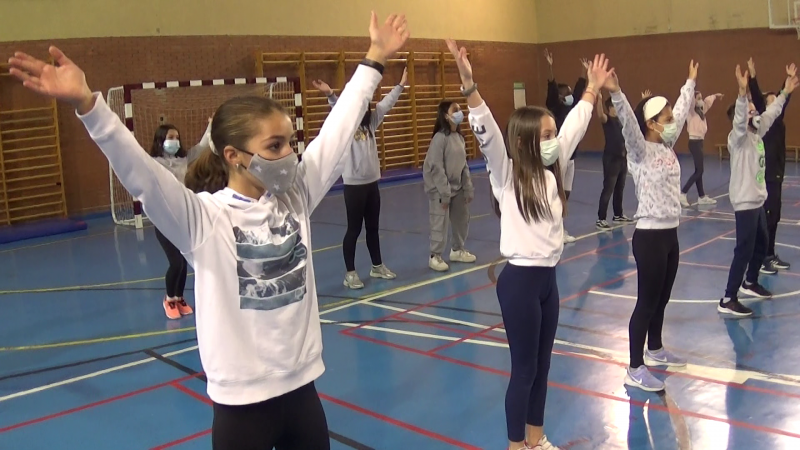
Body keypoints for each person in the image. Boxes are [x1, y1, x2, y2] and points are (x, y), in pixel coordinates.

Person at [8, 12, 409, 449]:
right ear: (235, 155)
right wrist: (90, 104)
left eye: (290, 142)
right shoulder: (203, 220)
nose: (291, 154)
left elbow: (339, 128)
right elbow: (140, 173)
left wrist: (374, 58)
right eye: (275, 146)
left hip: (302, 393)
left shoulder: (295, 197)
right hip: (241, 409)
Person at [450, 37, 612, 450]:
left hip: (547, 283)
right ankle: (515, 445)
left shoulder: (552, 168)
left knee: (541, 367)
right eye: (545, 134)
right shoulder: (506, 175)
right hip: (520, 283)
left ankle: (536, 440)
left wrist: (591, 88)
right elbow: (486, 133)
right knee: (523, 370)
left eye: (553, 134)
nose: (554, 139)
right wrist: (470, 88)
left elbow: (575, 123)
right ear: (523, 141)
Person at [607, 60, 699, 392]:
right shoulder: (641, 149)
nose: (674, 122)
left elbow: (685, 107)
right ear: (651, 124)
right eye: (668, 118)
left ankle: (656, 349)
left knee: (662, 297)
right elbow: (629, 125)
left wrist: (689, 82)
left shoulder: (665, 147)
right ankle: (634, 367)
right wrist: (617, 92)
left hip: (670, 234)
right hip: (649, 237)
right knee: (646, 301)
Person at [312, 70, 406, 289]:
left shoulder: (371, 123)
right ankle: (350, 273)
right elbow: (339, 110)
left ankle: (377, 265)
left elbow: (387, 104)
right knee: (354, 229)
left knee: (373, 227)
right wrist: (330, 94)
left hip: (372, 184)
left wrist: (401, 85)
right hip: (353, 186)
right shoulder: (346, 126)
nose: (364, 107)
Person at [718, 65, 797, 317]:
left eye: (754, 109)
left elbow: (771, 113)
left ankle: (750, 282)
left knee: (762, 243)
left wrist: (785, 92)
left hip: (758, 201)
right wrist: (742, 95)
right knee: (744, 249)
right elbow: (741, 119)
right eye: (750, 110)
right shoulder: (738, 138)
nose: (754, 113)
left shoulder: (757, 134)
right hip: (745, 203)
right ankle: (728, 297)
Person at [148, 122, 211, 319]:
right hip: (164, 220)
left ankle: (179, 297)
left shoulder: (183, 159)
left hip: (182, 217)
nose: (174, 141)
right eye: (170, 137)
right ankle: (169, 299)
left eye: (176, 137)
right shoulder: (154, 162)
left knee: (183, 263)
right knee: (175, 262)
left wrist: (210, 127)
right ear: (161, 140)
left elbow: (202, 148)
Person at [748, 58, 795, 272]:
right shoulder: (764, 120)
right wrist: (753, 76)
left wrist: (788, 81)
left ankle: (769, 253)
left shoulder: (778, 118)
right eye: (771, 100)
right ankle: (763, 257)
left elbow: (784, 98)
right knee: (768, 216)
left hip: (777, 173)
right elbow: (758, 96)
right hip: (766, 174)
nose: (776, 101)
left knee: (775, 216)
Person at [423, 99, 475, 272]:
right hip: (439, 189)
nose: (460, 112)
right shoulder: (439, 139)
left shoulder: (459, 138)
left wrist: (467, 188)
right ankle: (435, 256)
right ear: (446, 116)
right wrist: (444, 193)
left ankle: (457, 249)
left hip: (457, 187)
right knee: (439, 222)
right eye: (455, 110)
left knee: (462, 219)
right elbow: (436, 167)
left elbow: (463, 165)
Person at [544, 49, 588, 243]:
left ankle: (560, 229)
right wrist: (550, 66)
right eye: (567, 92)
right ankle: (552, 230)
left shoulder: (572, 107)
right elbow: (552, 88)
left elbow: (580, 92)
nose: (571, 94)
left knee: (565, 194)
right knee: (556, 193)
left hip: (572, 158)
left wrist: (584, 71)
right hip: (558, 157)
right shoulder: (554, 106)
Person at [595, 92, 632, 230]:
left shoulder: (620, 121)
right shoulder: (608, 120)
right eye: (615, 107)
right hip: (611, 159)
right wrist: (599, 100)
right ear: (610, 108)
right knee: (608, 188)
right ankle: (601, 218)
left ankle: (618, 214)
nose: (617, 109)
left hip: (622, 158)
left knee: (619, 188)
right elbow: (600, 114)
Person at [680, 91, 724, 206]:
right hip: (694, 142)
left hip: (700, 142)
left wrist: (715, 95)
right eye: (698, 98)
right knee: (699, 171)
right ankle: (683, 193)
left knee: (698, 170)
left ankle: (701, 196)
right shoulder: (691, 112)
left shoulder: (701, 111)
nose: (700, 100)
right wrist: (692, 89)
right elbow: (690, 101)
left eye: (701, 98)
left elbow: (708, 102)